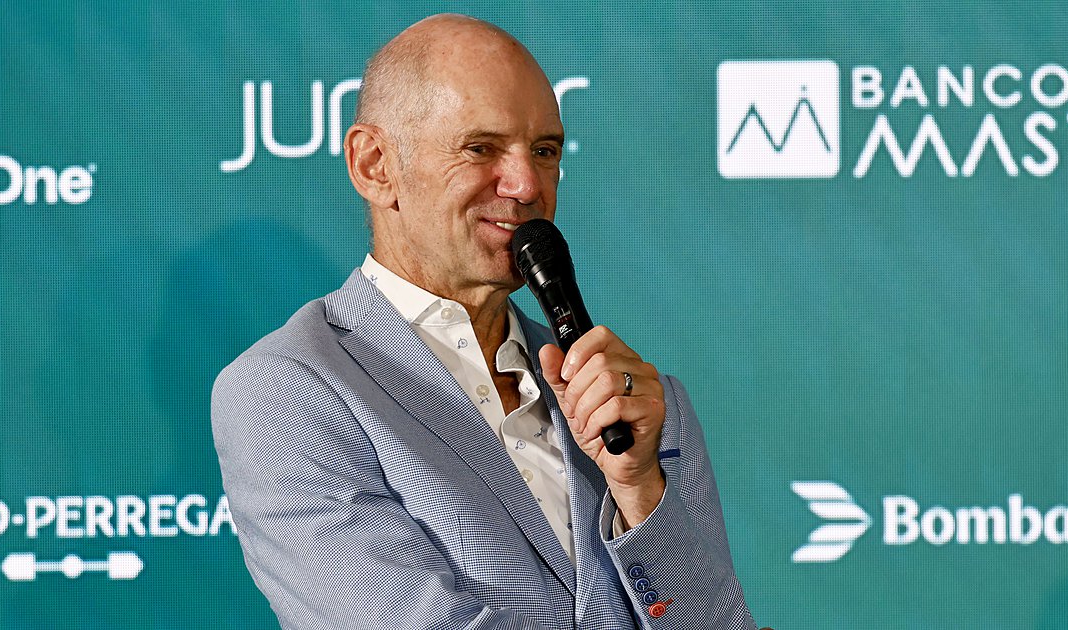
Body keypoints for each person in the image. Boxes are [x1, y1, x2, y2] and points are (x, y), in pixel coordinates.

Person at [211, 14, 757, 630]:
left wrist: (639, 490)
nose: (526, 186)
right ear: (375, 165)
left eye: (544, 151)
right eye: (481, 148)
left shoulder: (639, 407)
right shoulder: (285, 390)